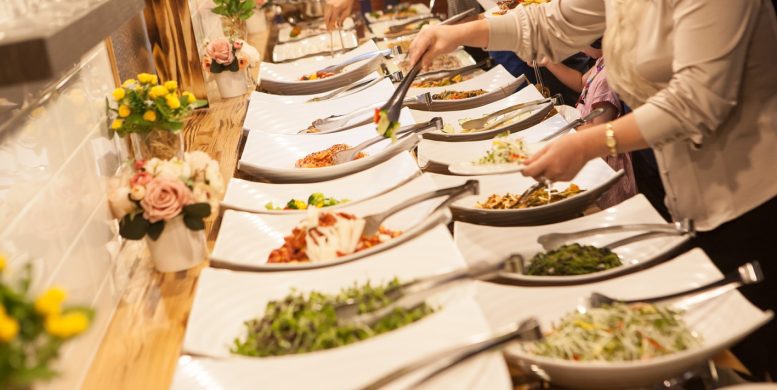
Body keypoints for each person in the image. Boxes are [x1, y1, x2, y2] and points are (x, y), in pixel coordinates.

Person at [408, 0, 777, 379]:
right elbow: (553, 22)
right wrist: (457, 33)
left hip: (754, 200)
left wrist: (589, 143)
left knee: (757, 350)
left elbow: (696, 101)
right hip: (690, 194)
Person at [539, 38, 636, 209]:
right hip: (586, 136)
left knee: (601, 204)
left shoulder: (608, 77)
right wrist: (548, 61)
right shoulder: (602, 61)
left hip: (602, 154)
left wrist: (567, 126)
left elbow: (599, 128)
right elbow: (580, 81)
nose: (577, 48)